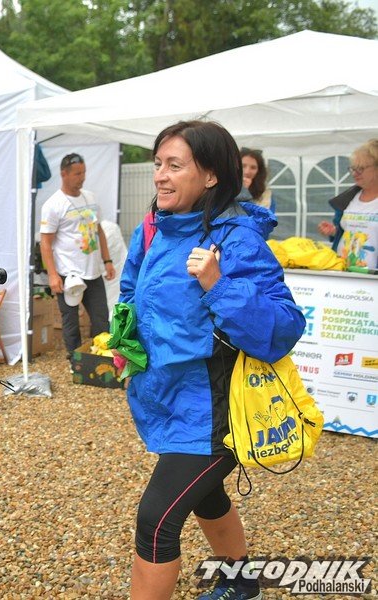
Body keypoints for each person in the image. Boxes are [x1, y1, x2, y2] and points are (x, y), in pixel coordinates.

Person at [118, 121, 305, 600]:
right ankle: (242, 585)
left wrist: (218, 285)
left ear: (211, 176)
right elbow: (131, 294)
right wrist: (125, 343)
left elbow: (283, 328)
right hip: (166, 399)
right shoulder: (153, 230)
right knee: (206, 494)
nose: (160, 175)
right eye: (158, 163)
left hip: (214, 411)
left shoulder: (237, 240)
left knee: (156, 520)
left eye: (174, 165)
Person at [39, 153, 116, 357]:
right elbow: (45, 243)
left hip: (93, 271)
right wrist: (52, 275)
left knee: (101, 318)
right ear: (64, 174)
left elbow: (99, 231)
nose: (82, 177)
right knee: (70, 320)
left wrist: (107, 260)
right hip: (68, 273)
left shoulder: (90, 198)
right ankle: (76, 360)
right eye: (77, 174)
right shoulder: (53, 205)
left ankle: (101, 357)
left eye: (83, 173)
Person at [317, 139, 378, 270]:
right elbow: (347, 233)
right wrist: (334, 232)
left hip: (371, 278)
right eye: (353, 169)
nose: (355, 173)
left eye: (361, 168)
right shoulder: (348, 199)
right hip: (342, 273)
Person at [238, 148, 274, 212]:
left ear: (259, 171)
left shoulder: (264, 192)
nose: (247, 172)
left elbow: (260, 214)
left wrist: (245, 191)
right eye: (243, 166)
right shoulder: (226, 187)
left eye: (253, 168)